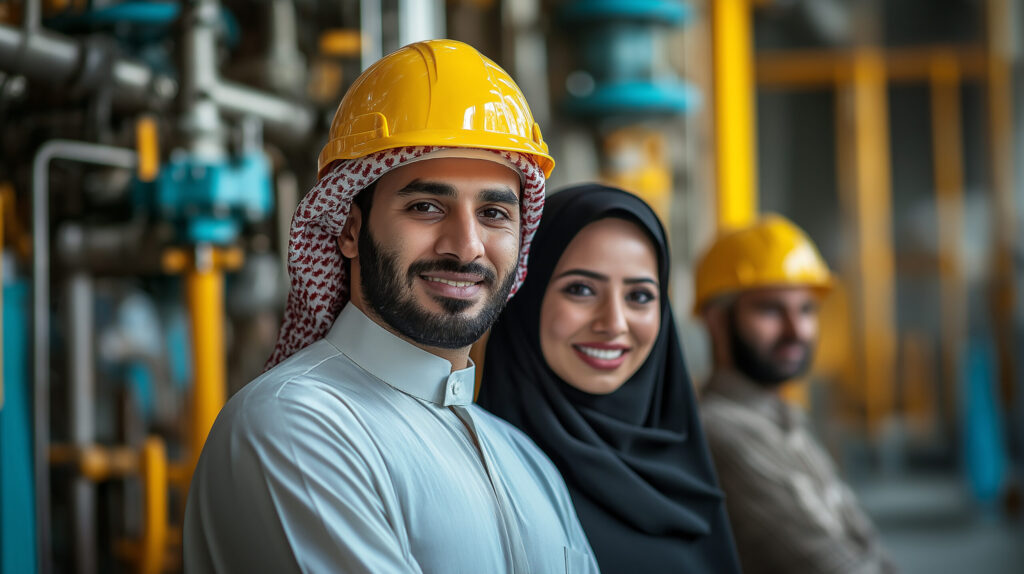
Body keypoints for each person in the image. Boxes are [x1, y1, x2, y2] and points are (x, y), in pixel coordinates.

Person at [183, 40, 597, 573]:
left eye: (495, 212)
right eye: (426, 206)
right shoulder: (294, 425)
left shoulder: (526, 460)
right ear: (351, 231)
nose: (466, 246)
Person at [478, 184, 741, 573]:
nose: (614, 324)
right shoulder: (485, 469)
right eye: (581, 290)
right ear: (524, 296)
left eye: (639, 296)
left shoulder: (680, 459)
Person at [694, 214, 897, 574]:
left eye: (806, 310)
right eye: (770, 309)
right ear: (715, 319)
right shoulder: (721, 432)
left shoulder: (782, 418)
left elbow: (867, 546)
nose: (796, 329)